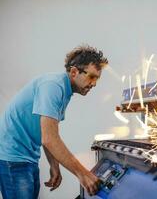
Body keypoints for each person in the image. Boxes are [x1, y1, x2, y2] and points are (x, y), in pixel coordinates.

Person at [0, 45, 108, 198]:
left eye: (97, 79)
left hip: (27, 156)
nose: (94, 84)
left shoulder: (64, 90)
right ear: (73, 72)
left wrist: (54, 165)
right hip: (13, 157)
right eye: (91, 77)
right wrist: (83, 175)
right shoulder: (53, 86)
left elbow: (47, 132)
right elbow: (49, 138)